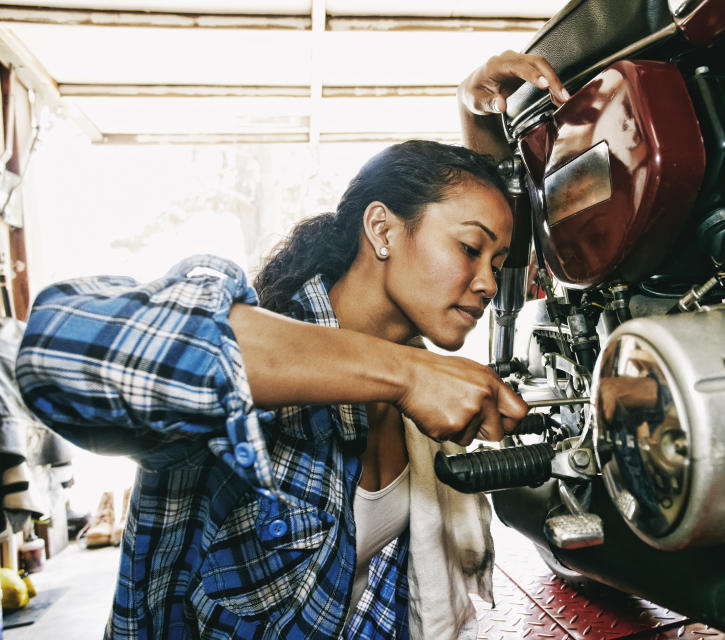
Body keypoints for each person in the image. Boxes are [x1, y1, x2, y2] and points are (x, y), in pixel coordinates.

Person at [15, 51, 567, 640]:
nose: (488, 281)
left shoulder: (421, 392)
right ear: (382, 230)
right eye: (469, 250)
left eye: (498, 263)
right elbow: (57, 348)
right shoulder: (266, 338)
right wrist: (404, 374)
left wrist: (478, 122)